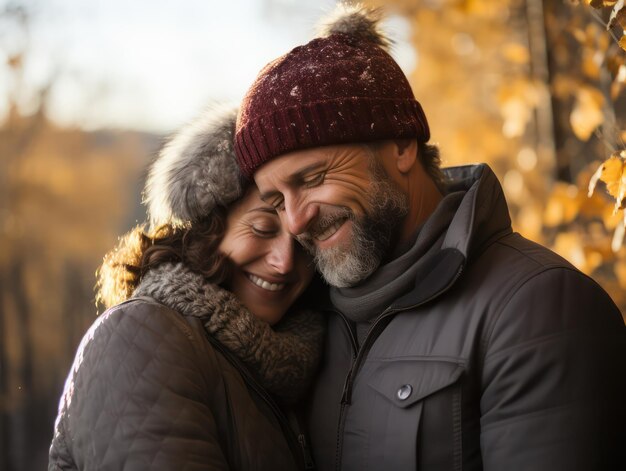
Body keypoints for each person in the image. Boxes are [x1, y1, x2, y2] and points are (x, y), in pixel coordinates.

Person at [233, 4, 626, 471]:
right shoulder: (302, 323)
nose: (295, 221)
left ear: (401, 146)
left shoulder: (537, 309)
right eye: (276, 201)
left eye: (313, 177)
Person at [48, 105, 323, 471]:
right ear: (205, 232)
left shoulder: (292, 360)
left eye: (305, 241)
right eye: (261, 228)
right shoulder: (141, 339)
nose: (285, 262)